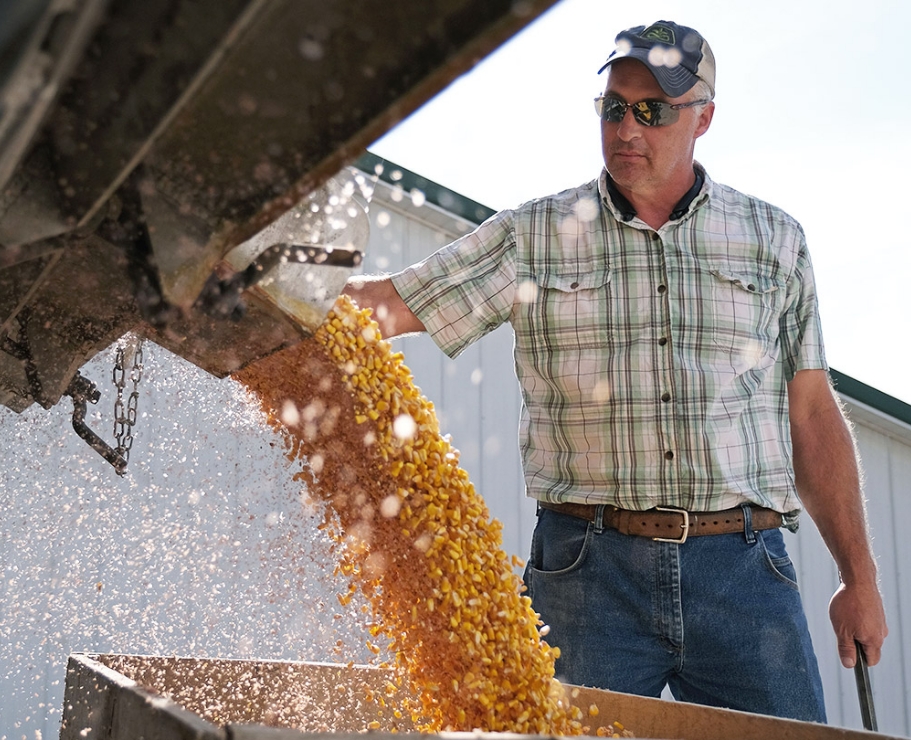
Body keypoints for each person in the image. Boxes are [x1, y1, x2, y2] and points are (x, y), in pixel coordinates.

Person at [343, 20, 887, 721]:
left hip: (743, 570)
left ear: (703, 118)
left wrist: (857, 576)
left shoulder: (772, 239)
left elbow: (810, 412)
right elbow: (396, 303)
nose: (626, 129)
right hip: (585, 572)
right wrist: (269, 297)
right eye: (613, 108)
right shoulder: (535, 234)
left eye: (652, 111)